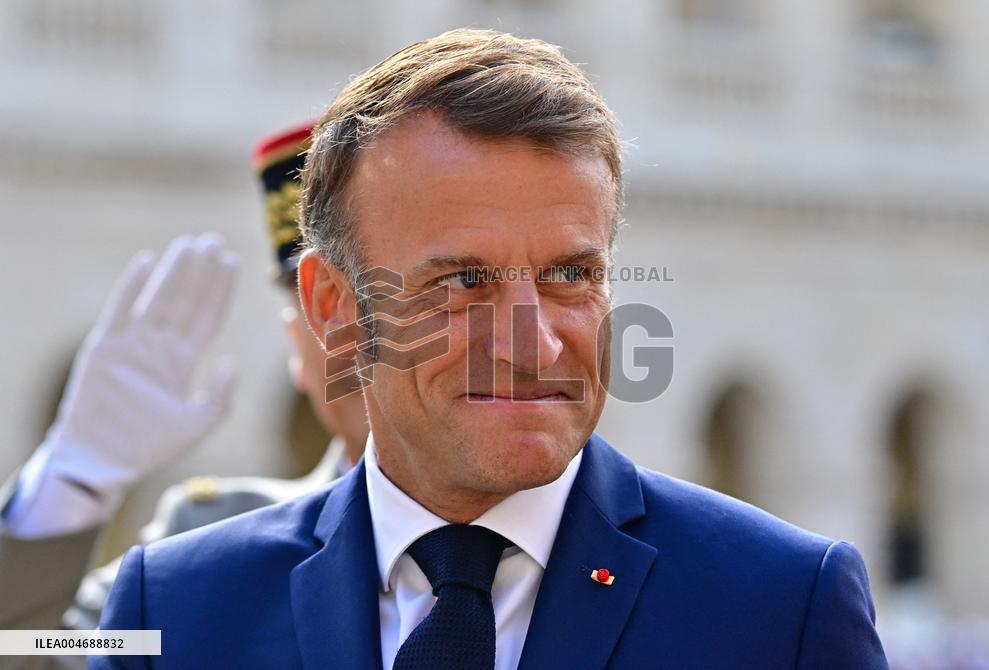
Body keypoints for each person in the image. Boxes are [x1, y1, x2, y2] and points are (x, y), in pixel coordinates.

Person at [94, 28, 889, 669]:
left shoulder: (781, 606)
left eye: (571, 274)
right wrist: (71, 482)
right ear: (332, 308)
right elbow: (28, 643)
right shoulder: (174, 610)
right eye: (466, 282)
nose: (534, 340)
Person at [0, 125, 367, 665]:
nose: (373, 334)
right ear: (297, 345)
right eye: (330, 304)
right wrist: (72, 479)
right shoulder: (203, 546)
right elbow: (29, 651)